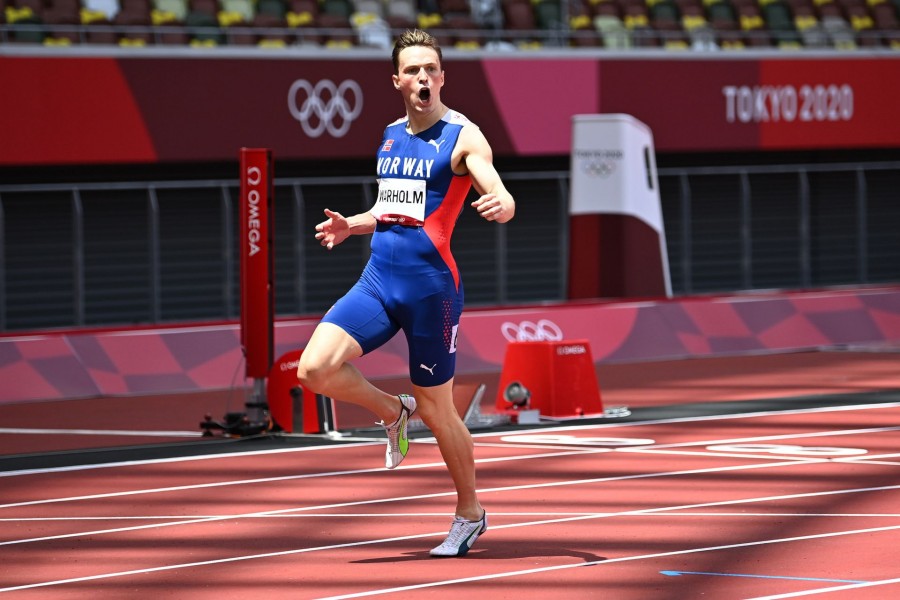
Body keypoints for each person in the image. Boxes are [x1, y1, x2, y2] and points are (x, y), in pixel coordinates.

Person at [296, 28, 515, 558]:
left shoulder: (463, 137)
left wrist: (503, 202)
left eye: (431, 70)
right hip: (377, 279)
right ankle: (393, 413)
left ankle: (470, 514)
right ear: (397, 80)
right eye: (413, 70)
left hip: (430, 291)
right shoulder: (391, 135)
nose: (423, 78)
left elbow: (495, 186)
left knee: (440, 412)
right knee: (314, 369)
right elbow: (392, 208)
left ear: (442, 77)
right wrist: (353, 224)